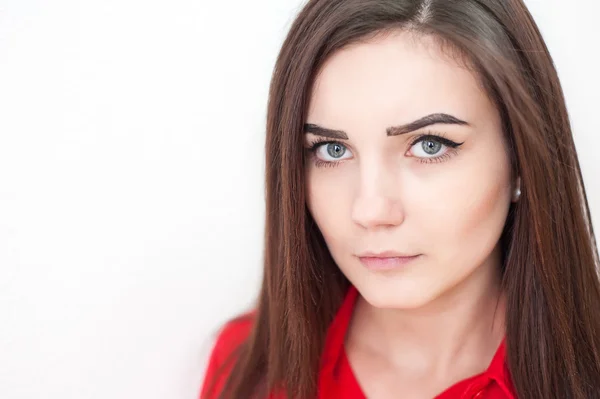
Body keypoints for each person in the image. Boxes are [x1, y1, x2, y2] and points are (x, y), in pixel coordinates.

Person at [200, 0, 600, 398]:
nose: (370, 211)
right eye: (331, 150)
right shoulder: (253, 370)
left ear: (520, 160)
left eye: (428, 145)